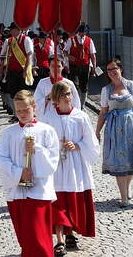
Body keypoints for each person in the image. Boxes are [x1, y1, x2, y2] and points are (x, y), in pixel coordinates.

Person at [0, 90, 60, 257]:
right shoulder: (8, 133)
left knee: (38, 238)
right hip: (17, 191)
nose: (22, 114)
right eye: (18, 111)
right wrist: (19, 173)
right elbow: (1, 159)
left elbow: (53, 161)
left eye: (26, 110)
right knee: (25, 238)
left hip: (39, 192)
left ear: (34, 107)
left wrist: (37, 150)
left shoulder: (47, 131)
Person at [42, 81, 99, 256]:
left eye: (69, 94)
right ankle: (59, 239)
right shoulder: (48, 118)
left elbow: (91, 141)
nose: (68, 98)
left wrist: (77, 145)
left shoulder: (81, 116)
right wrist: (54, 147)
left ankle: (70, 234)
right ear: (55, 100)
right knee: (58, 201)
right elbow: (42, 141)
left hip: (75, 164)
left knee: (73, 200)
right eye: (63, 95)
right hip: (57, 165)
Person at [96, 58, 133, 207]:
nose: (111, 72)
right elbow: (103, 112)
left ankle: (127, 186)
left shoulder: (132, 85)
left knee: (131, 159)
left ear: (120, 69)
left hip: (131, 127)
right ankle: (123, 197)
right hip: (114, 130)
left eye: (114, 69)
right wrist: (97, 131)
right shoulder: (106, 90)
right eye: (109, 70)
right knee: (119, 162)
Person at [0, 22, 34, 123]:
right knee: (13, 94)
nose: (12, 31)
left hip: (22, 71)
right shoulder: (8, 41)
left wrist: (26, 70)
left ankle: (27, 114)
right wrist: (1, 71)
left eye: (14, 29)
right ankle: (16, 114)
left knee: (23, 94)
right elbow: (2, 56)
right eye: (11, 30)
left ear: (19, 30)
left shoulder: (26, 39)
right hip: (11, 71)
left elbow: (29, 56)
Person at [64, 23, 97, 109]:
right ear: (78, 32)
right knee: (75, 85)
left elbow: (93, 55)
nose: (83, 34)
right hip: (74, 66)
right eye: (81, 32)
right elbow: (65, 51)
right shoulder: (71, 39)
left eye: (84, 32)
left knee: (84, 86)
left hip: (85, 66)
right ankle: (76, 104)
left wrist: (94, 67)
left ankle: (82, 105)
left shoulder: (89, 40)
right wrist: (69, 56)